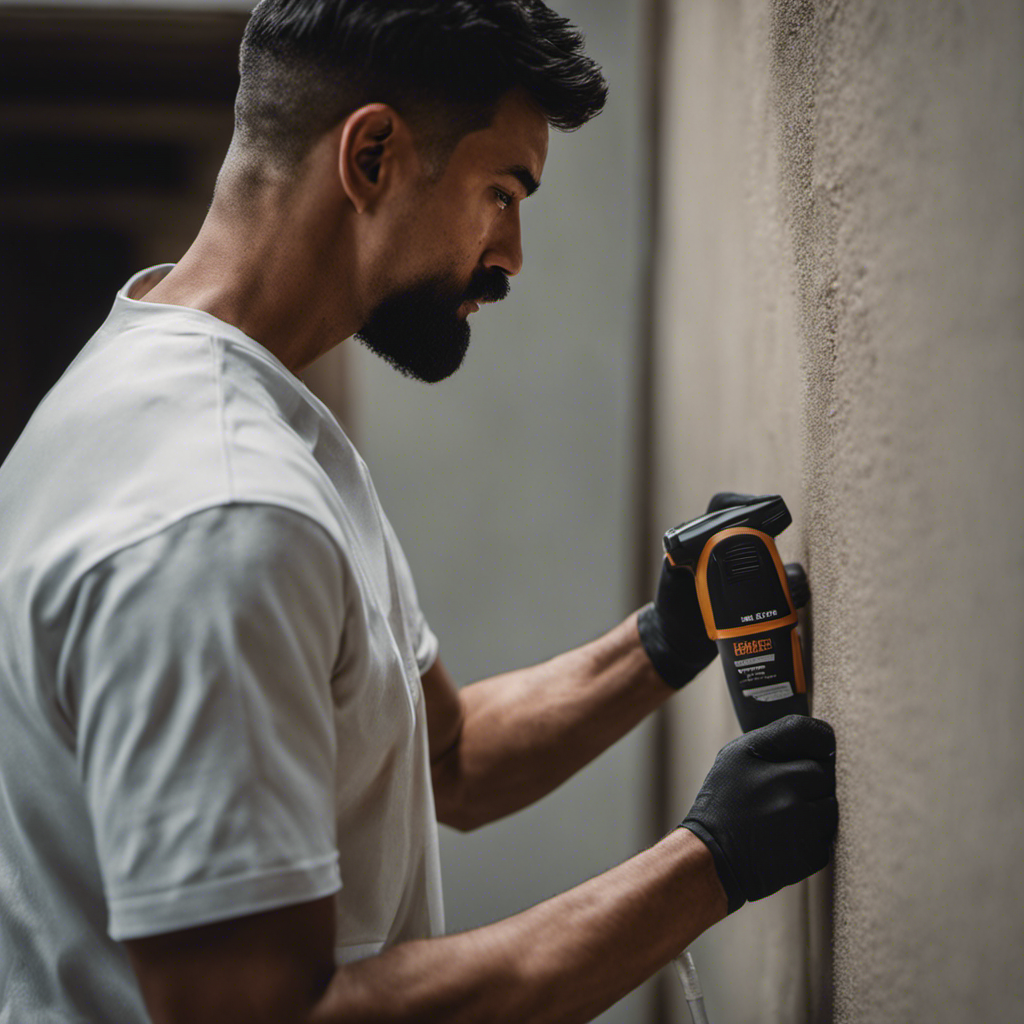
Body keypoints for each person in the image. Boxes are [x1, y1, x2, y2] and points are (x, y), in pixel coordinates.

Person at [0, 2, 838, 1022]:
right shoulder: (219, 509)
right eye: (501, 193)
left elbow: (447, 758)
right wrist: (704, 868)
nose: (511, 255)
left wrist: (661, 641)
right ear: (374, 155)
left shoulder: (190, 397)